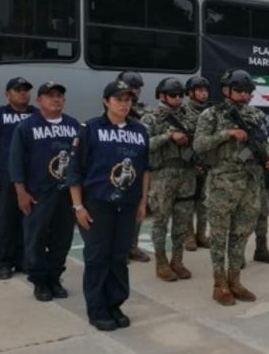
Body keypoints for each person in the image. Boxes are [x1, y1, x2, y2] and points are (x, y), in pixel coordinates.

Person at [68, 80, 150, 331]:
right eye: (119, 99)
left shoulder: (139, 130)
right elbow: (75, 171)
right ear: (106, 101)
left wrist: (142, 202)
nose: (124, 104)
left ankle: (115, 303)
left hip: (126, 204)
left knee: (118, 256)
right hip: (97, 204)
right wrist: (78, 207)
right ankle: (98, 308)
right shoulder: (90, 129)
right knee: (98, 256)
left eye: (128, 100)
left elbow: (145, 169)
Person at [193, 69, 269, 305]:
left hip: (250, 183)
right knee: (219, 235)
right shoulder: (212, 115)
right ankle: (219, 284)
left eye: (248, 92)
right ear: (226, 90)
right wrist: (227, 133)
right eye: (238, 91)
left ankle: (235, 281)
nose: (243, 96)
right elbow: (199, 145)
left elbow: (265, 141)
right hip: (223, 183)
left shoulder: (255, 115)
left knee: (241, 233)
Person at [9, 82, 79, 301]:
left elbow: (81, 159)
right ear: (39, 100)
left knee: (62, 240)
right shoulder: (27, 127)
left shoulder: (74, 125)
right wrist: (20, 191)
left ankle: (55, 278)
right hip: (38, 194)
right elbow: (16, 160)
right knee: (35, 240)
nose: (56, 99)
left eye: (59, 96)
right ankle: (39, 282)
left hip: (66, 194)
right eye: (50, 96)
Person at [0, 76, 37, 279]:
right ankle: (4, 262)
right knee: (4, 221)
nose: (23, 93)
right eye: (18, 89)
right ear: (7, 94)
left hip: (32, 179)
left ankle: (24, 261)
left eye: (26, 90)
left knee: (28, 220)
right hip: (4, 177)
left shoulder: (37, 115)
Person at [141, 78, 197, 282]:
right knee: (160, 221)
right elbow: (143, 145)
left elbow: (198, 140)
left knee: (182, 221)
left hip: (186, 174)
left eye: (181, 95)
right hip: (162, 176)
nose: (178, 98)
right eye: (174, 95)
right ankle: (161, 261)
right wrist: (168, 136)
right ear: (162, 96)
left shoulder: (189, 116)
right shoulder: (151, 117)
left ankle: (177, 260)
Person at [243, 91, 269, 266]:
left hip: (262, 172)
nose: (248, 96)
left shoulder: (259, 116)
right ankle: (238, 253)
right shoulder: (227, 116)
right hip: (244, 175)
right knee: (244, 215)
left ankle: (261, 249)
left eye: (249, 93)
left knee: (263, 211)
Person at [116, 70, 151, 263]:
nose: (134, 92)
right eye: (131, 87)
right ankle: (119, 248)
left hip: (137, 164)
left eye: (137, 88)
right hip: (118, 165)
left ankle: (132, 246)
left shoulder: (144, 111)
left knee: (137, 207)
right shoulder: (114, 107)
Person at [183, 76, 212, 252]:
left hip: (207, 162)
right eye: (200, 90)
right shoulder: (183, 112)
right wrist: (190, 162)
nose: (204, 93)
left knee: (204, 202)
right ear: (191, 93)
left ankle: (201, 234)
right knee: (187, 201)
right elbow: (181, 142)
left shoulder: (210, 112)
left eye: (205, 90)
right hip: (188, 162)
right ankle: (189, 236)